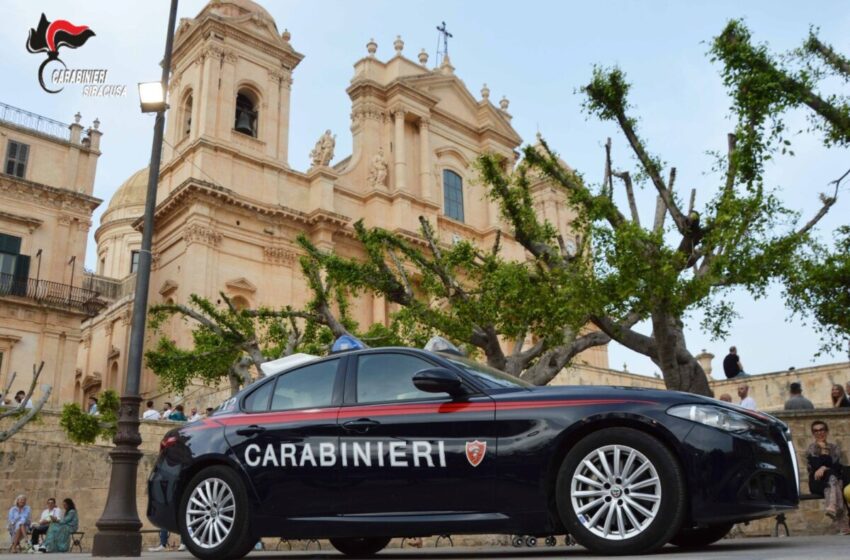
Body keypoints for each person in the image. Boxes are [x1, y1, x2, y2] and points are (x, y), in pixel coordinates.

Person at [806, 421, 850, 533]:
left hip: (832, 482)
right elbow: (816, 466)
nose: (819, 432)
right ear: (813, 433)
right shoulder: (812, 448)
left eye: (822, 430)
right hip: (817, 482)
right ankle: (841, 518)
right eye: (816, 430)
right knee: (833, 477)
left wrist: (824, 467)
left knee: (836, 478)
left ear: (826, 431)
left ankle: (833, 507)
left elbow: (837, 466)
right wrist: (824, 458)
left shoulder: (834, 448)